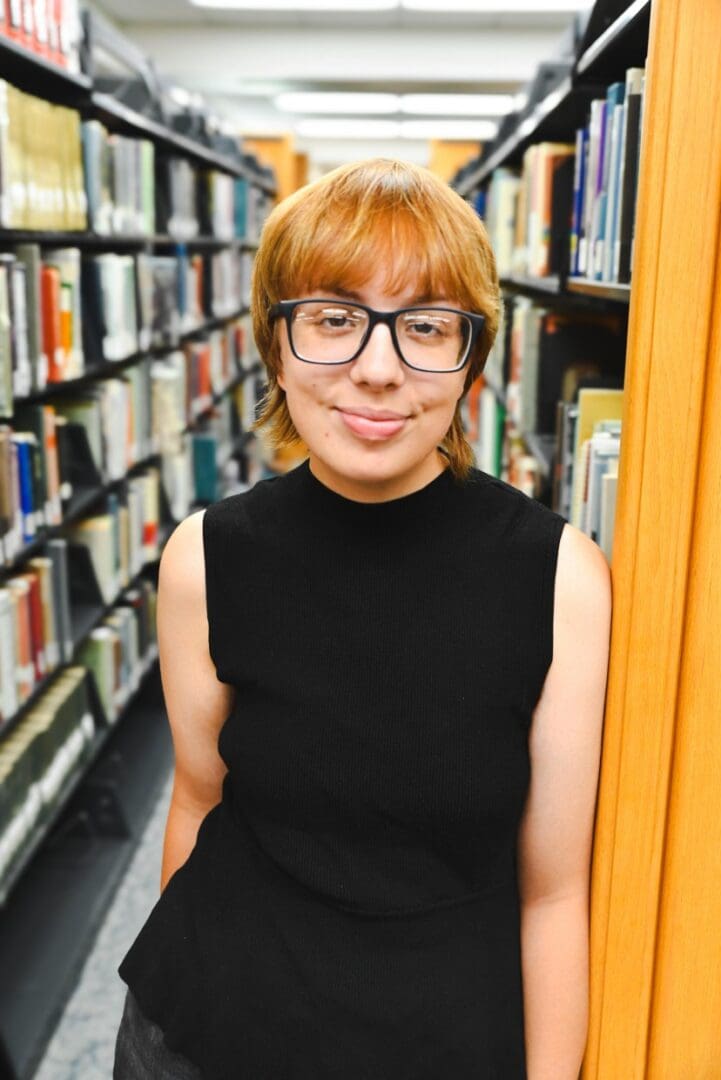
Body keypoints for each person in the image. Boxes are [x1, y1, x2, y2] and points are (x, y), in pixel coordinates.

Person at [114, 157, 611, 1079]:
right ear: (275, 343)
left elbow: (553, 893)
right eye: (334, 320)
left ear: (471, 360)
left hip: (437, 1042)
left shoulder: (560, 580)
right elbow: (197, 798)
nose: (377, 370)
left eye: (424, 326)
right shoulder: (204, 557)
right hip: (203, 1032)